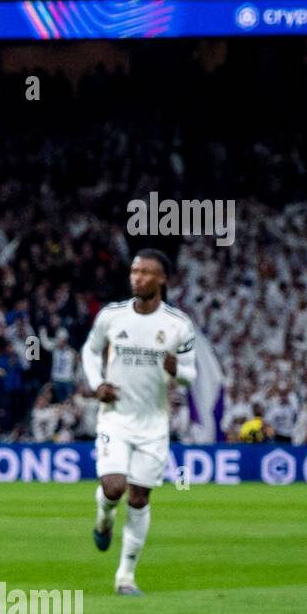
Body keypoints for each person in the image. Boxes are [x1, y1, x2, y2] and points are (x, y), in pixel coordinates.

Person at [81, 250, 197, 595]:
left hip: (154, 424)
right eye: (134, 271)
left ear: (162, 279)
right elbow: (90, 350)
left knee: (139, 498)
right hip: (115, 419)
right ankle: (103, 519)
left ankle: (125, 577)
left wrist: (180, 372)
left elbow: (191, 375)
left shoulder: (178, 325)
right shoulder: (111, 316)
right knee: (115, 487)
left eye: (146, 273)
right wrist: (96, 384)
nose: (138, 278)